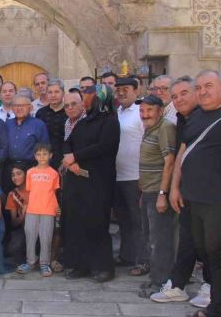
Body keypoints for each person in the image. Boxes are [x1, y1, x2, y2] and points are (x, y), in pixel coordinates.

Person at [171, 70, 221, 317]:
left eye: (209, 86)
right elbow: (182, 153)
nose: (203, 92)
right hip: (193, 198)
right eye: (200, 88)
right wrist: (174, 187)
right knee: (204, 251)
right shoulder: (195, 118)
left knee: (220, 253)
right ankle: (214, 301)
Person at [153, 76, 211, 308]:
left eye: (183, 93)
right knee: (188, 240)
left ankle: (210, 285)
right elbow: (180, 156)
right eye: (174, 96)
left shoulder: (207, 117)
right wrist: (173, 189)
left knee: (209, 242)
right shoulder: (182, 118)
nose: (178, 99)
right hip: (187, 190)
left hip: (209, 192)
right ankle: (177, 285)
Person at [61, 87, 119, 283]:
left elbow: (105, 146)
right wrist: (73, 162)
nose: (85, 100)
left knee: (97, 224)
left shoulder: (109, 121)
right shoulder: (84, 122)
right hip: (77, 181)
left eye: (88, 97)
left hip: (98, 182)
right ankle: (81, 265)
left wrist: (76, 157)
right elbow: (68, 143)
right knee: (78, 223)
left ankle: (103, 267)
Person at [133, 95, 177, 298]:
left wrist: (162, 194)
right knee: (151, 237)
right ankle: (156, 279)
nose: (145, 114)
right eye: (142, 111)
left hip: (159, 193)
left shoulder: (165, 128)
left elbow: (169, 162)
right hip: (148, 191)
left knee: (161, 241)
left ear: (160, 110)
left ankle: (162, 282)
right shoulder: (150, 128)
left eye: (149, 110)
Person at [113, 77, 146, 273]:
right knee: (123, 220)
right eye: (119, 90)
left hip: (135, 176)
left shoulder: (140, 112)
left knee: (138, 221)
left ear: (136, 90)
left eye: (126, 89)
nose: (121, 93)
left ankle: (142, 261)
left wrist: (144, 174)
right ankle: (126, 256)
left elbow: (147, 142)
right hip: (118, 176)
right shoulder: (117, 112)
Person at [16, 143, 60, 277]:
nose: (42, 157)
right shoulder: (30, 172)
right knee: (30, 235)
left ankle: (44, 263)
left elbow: (54, 192)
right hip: (32, 209)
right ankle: (30, 262)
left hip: (48, 209)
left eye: (45, 154)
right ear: (35, 156)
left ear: (50, 155)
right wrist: (25, 206)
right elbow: (29, 192)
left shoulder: (53, 173)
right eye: (39, 154)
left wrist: (57, 208)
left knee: (45, 237)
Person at [5, 94, 49, 193]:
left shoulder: (38, 124)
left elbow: (44, 149)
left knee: (31, 199)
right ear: (12, 108)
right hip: (10, 167)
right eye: (16, 105)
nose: (19, 108)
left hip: (31, 167)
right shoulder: (7, 124)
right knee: (11, 199)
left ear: (30, 107)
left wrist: (42, 171)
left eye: (23, 105)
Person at [36, 79, 68, 168]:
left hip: (66, 159)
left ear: (63, 93)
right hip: (44, 159)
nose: (53, 95)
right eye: (50, 92)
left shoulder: (69, 111)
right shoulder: (40, 113)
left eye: (57, 92)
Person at [4, 163, 29, 264]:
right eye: (13, 175)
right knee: (13, 249)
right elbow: (14, 223)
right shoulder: (12, 195)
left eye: (19, 174)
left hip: (40, 225)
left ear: (26, 174)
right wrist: (23, 214)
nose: (15, 177)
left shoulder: (36, 189)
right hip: (22, 228)